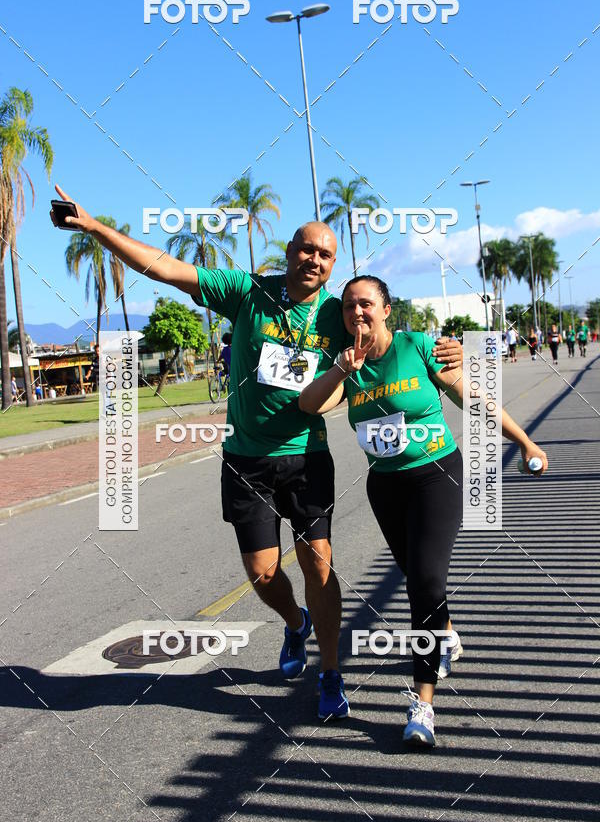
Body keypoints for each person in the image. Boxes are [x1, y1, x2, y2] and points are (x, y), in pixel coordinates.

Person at [49, 183, 465, 720]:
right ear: (289, 251)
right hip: (245, 459)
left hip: (306, 458)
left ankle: (330, 675)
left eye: (325, 255)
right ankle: (296, 624)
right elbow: (165, 267)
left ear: (332, 265)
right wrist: (95, 227)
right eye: (306, 248)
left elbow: (380, 329)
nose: (314, 259)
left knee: (320, 566)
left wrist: (442, 349)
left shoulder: (335, 315)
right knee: (263, 574)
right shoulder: (245, 291)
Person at [299, 275, 548, 746]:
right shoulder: (346, 366)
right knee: (419, 576)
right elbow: (309, 405)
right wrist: (340, 372)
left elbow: (473, 398)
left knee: (424, 583)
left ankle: (423, 704)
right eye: (350, 306)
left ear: (386, 309)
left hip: (437, 476)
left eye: (366, 304)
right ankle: (446, 628)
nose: (357, 313)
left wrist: (524, 442)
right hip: (385, 487)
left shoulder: (419, 347)